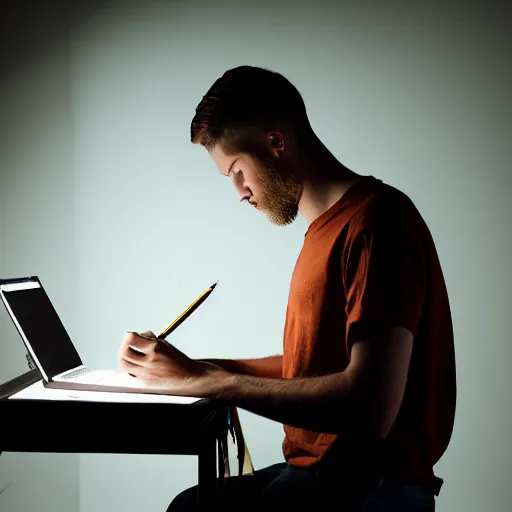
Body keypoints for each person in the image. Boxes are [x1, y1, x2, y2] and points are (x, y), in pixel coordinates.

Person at [117, 66, 456, 511]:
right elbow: (313, 368)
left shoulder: (376, 224)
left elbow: (371, 407)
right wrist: (191, 369)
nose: (239, 192)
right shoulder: (325, 230)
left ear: (276, 142)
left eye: (238, 170)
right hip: (323, 471)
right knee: (192, 504)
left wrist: (214, 383)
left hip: (370, 486)